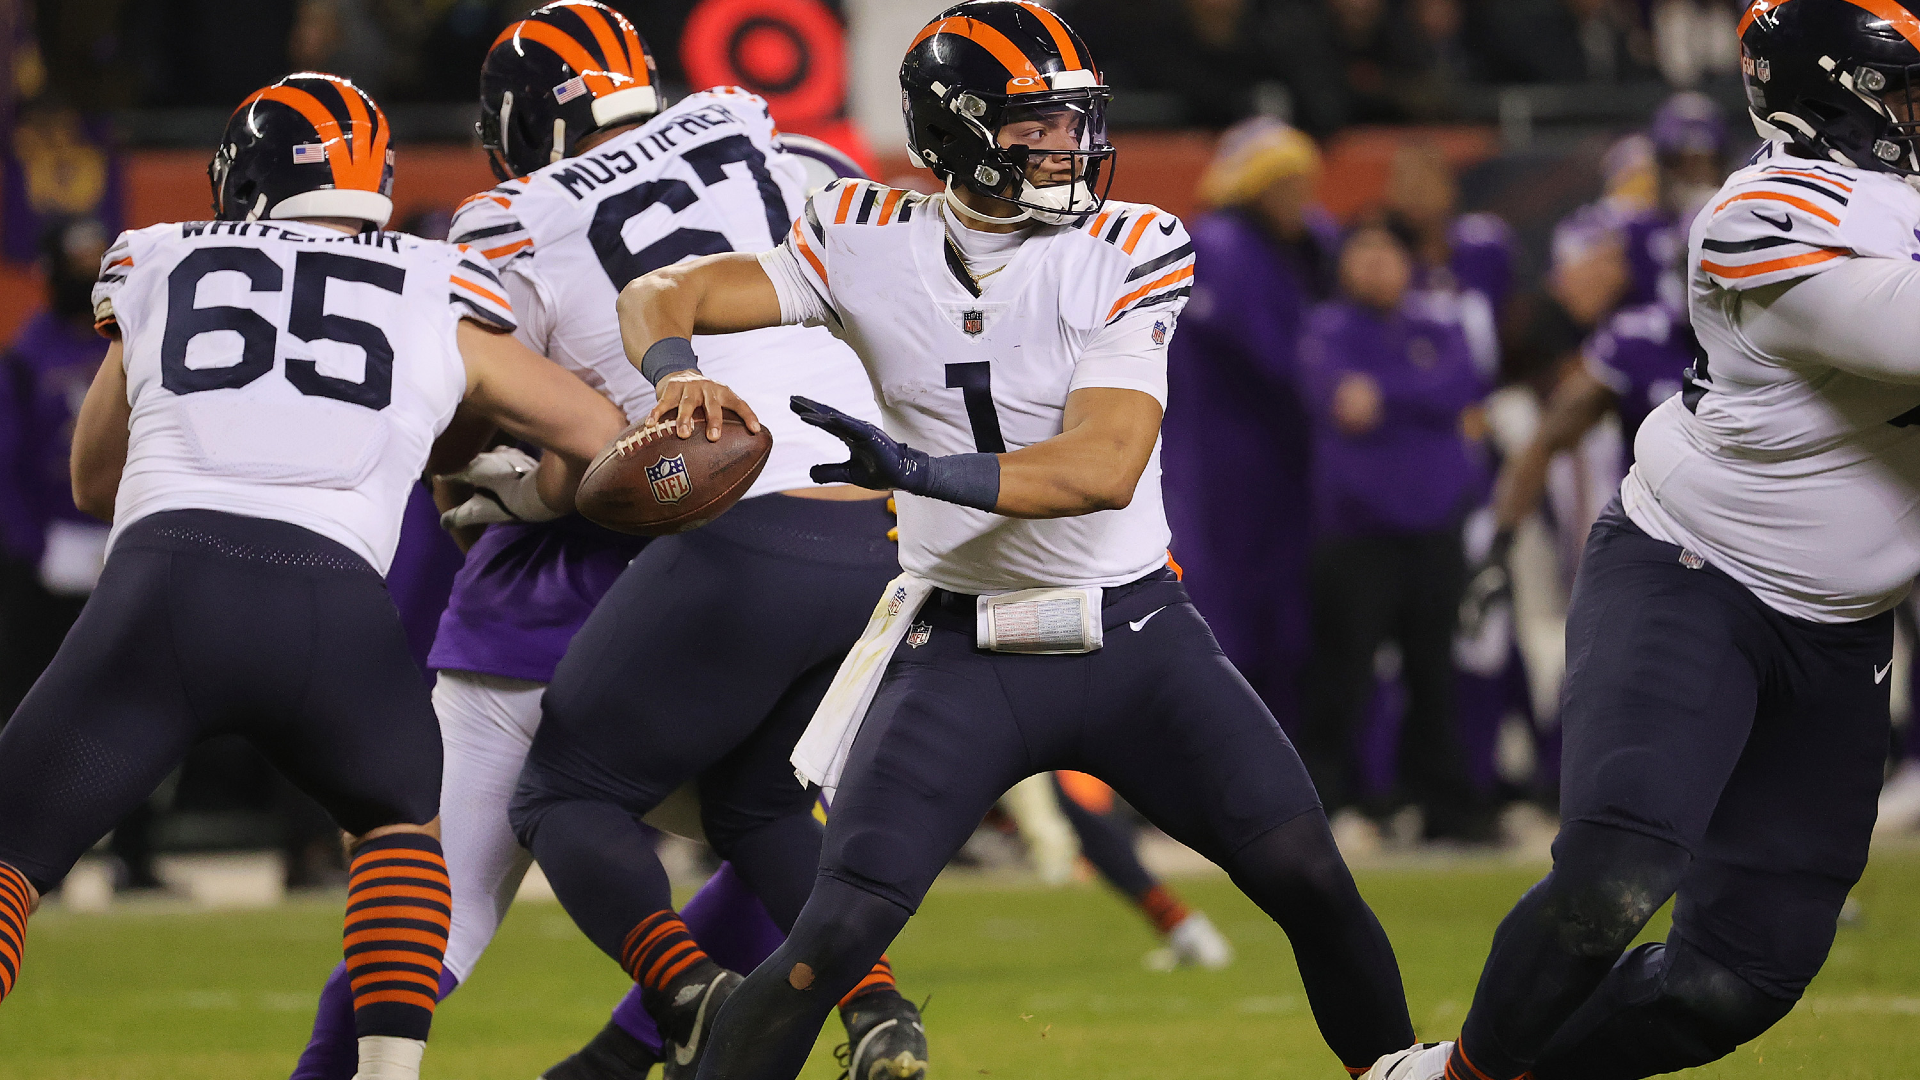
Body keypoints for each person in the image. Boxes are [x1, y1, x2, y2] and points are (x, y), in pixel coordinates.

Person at [605, 4, 1417, 1076]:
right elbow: (666, 288)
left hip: (1133, 634)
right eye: (1035, 125)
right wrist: (676, 373)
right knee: (832, 939)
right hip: (959, 650)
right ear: (956, 132)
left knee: (1309, 874)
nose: (1067, 146)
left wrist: (920, 472)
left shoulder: (1129, 242)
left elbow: (1102, 465)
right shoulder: (860, 235)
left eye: (1073, 121)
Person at [0, 73, 626, 1080]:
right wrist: (504, 487)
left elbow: (92, 477)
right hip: (332, 605)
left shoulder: (160, 258)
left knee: (12, 851)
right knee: (397, 831)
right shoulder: (437, 279)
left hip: (163, 590)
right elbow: (598, 439)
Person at [1366, 0, 1920, 1075]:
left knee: (1737, 981)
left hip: (1841, 631)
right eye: (1903, 93)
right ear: (1832, 98)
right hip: (1696, 578)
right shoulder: (1766, 211)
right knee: (1612, 879)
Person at [373, 6, 922, 1080]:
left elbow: (502, 408)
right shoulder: (755, 126)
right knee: (762, 805)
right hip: (885, 521)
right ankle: (883, 1012)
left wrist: (507, 483)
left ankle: (687, 997)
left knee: (562, 794)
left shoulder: (507, 213)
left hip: (731, 519)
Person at [1293, 222, 1491, 841]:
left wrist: (1387, 395)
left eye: (1388, 254)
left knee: (1435, 674)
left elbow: (1464, 385)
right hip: (1357, 535)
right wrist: (1420, 400)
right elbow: (1341, 401)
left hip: (1435, 530)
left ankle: (1445, 812)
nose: (1378, 267)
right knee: (1341, 675)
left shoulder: (1439, 324)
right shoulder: (1326, 328)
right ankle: (1324, 807)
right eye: (1365, 253)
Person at [1162, 118, 1339, 737]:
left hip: (1277, 459)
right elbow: (1277, 357)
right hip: (1223, 461)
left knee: (1284, 614)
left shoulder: (1301, 244)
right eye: (1286, 184)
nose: (1301, 199)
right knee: (1227, 609)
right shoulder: (1222, 245)